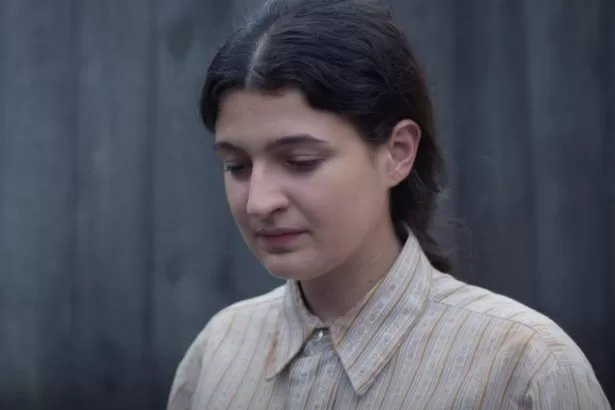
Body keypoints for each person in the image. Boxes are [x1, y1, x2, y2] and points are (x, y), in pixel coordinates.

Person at [167, 0, 610, 408]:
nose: (259, 202)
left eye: (300, 161)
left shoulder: (523, 369)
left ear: (398, 152)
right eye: (237, 166)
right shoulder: (218, 355)